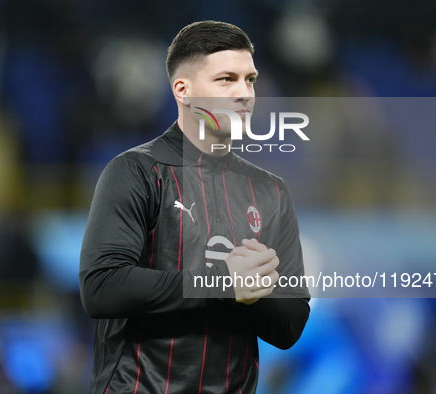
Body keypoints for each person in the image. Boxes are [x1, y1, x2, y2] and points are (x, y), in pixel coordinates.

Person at [79, 20, 310, 394]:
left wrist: (253, 294)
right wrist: (223, 283)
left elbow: (291, 325)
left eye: (249, 80)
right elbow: (101, 286)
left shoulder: (270, 191)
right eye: (226, 79)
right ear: (183, 91)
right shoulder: (135, 172)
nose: (244, 93)